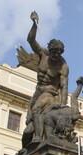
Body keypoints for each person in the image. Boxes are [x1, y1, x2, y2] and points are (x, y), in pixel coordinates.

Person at [24, 11, 69, 145]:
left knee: (37, 109)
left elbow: (64, 86)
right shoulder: (43, 54)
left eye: (59, 52)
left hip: (50, 92)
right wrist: (34, 24)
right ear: (49, 49)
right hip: (38, 91)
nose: (56, 54)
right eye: (54, 51)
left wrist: (62, 104)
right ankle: (33, 137)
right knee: (29, 120)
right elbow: (31, 40)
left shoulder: (63, 66)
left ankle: (38, 138)